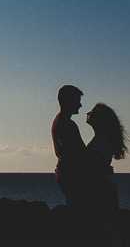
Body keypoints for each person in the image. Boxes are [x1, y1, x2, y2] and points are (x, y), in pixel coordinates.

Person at [83, 103, 130, 246]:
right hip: (102, 190)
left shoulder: (100, 141)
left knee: (105, 231)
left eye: (91, 112)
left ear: (100, 119)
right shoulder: (101, 140)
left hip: (99, 192)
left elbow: (94, 168)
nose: (87, 113)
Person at [52, 85, 87, 240]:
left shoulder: (63, 122)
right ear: (67, 101)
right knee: (78, 217)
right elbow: (74, 153)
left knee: (76, 214)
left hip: (68, 174)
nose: (80, 105)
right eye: (77, 101)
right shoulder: (66, 124)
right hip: (71, 175)